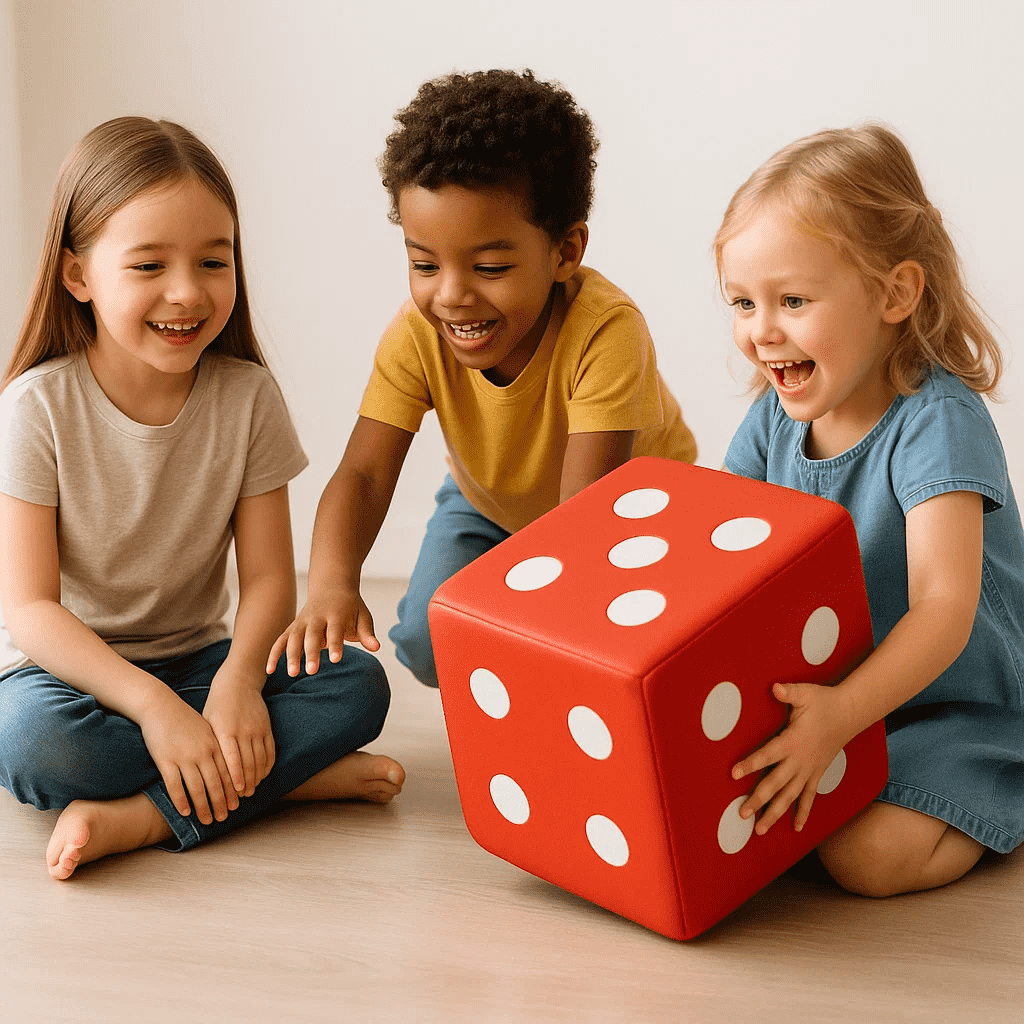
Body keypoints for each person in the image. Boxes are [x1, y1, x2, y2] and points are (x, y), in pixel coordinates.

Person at [0, 117, 404, 881]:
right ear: (79, 275)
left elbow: (269, 583)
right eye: (149, 264)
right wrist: (154, 710)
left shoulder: (247, 397)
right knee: (29, 742)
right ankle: (284, 779)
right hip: (75, 681)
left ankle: (143, 818)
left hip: (201, 663)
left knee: (357, 686)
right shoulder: (35, 408)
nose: (187, 292)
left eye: (213, 261)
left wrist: (239, 679)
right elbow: (29, 611)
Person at [270, 69, 698, 688]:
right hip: (492, 504)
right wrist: (331, 584)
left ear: (566, 252)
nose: (451, 296)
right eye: (424, 263)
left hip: (629, 516)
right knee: (425, 639)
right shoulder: (417, 335)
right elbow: (363, 474)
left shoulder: (607, 332)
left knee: (605, 649)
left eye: (491, 266)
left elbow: (585, 523)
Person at [716, 124, 1023, 896]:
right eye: (743, 303)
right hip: (847, 693)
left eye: (792, 300)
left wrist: (841, 714)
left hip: (961, 704)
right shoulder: (770, 420)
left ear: (895, 294)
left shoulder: (937, 420)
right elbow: (721, 560)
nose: (762, 332)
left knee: (866, 860)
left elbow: (945, 611)